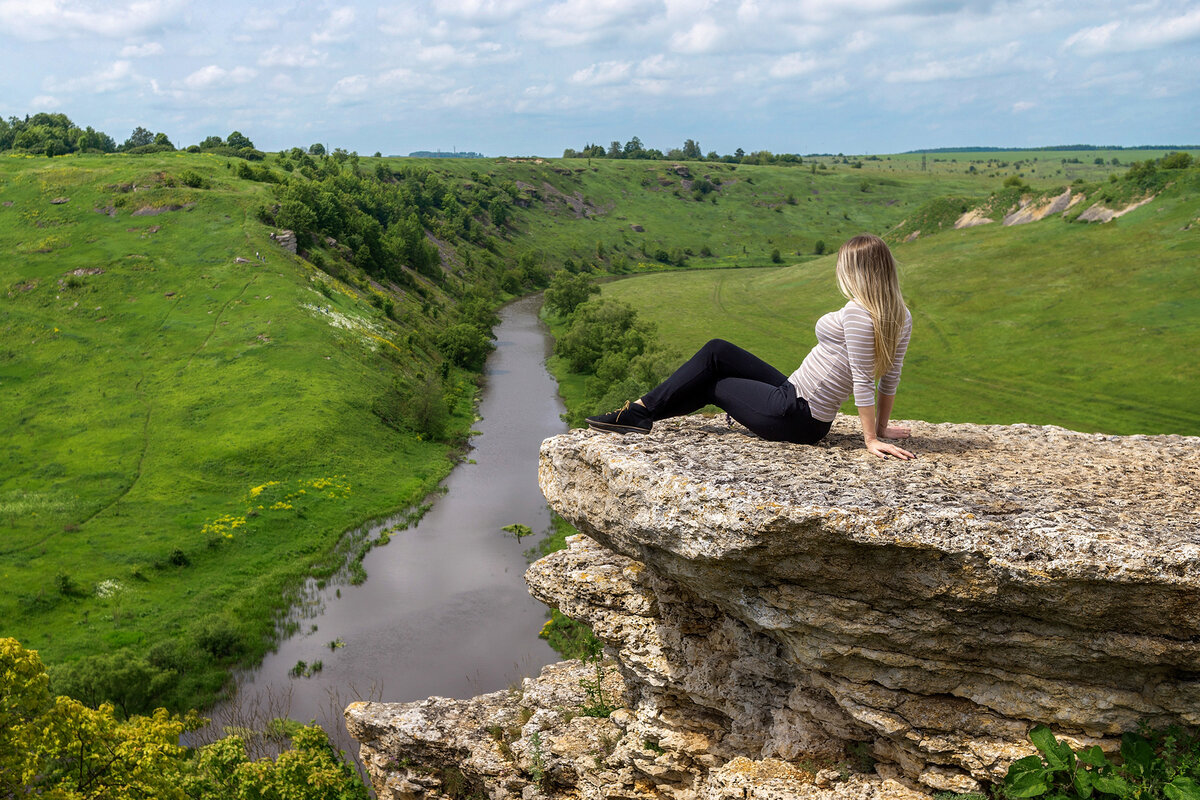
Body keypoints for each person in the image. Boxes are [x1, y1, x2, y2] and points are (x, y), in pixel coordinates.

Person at [585, 234, 916, 460]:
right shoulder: (900, 314)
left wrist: (871, 438)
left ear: (857, 272)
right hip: (796, 394)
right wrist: (882, 427)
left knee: (712, 383)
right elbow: (891, 378)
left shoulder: (859, 313)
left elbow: (864, 379)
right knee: (717, 351)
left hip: (796, 415)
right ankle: (640, 413)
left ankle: (637, 414)